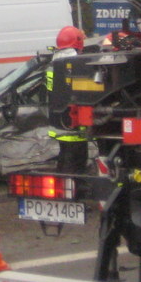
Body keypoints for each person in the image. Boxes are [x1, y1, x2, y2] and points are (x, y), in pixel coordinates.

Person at [47, 26, 89, 173]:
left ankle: (63, 187)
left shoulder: (54, 61)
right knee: (75, 162)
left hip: (57, 119)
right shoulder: (74, 62)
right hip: (72, 122)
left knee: (64, 156)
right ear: (77, 42)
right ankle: (73, 187)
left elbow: (51, 89)